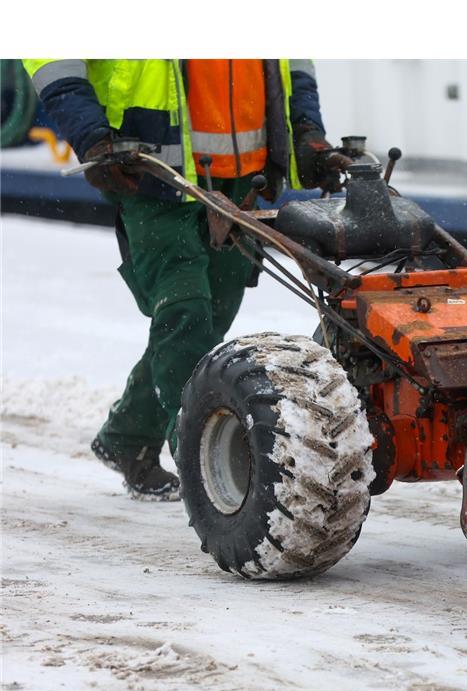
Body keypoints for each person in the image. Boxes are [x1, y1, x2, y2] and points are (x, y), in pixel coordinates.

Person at [23, 59, 352, 500]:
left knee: (204, 321)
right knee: (185, 312)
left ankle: (127, 438)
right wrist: (90, 135)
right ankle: (203, 468)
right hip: (149, 170)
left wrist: (307, 131)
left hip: (242, 179)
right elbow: (52, 57)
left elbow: (293, 64)